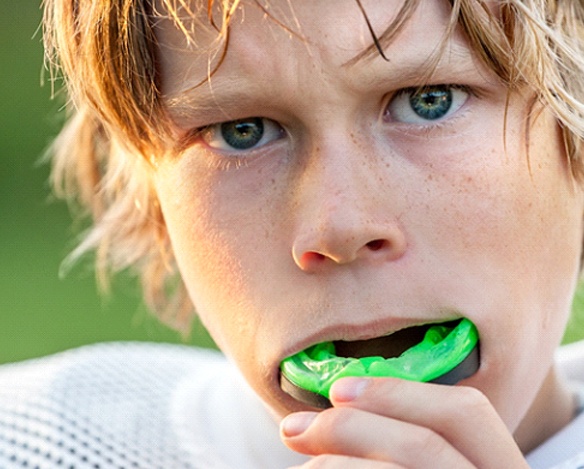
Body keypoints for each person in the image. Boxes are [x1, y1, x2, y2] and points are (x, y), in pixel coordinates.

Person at [2, 0, 584, 467]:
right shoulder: (37, 441)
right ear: (153, 200)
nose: (340, 226)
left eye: (427, 102)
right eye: (242, 131)